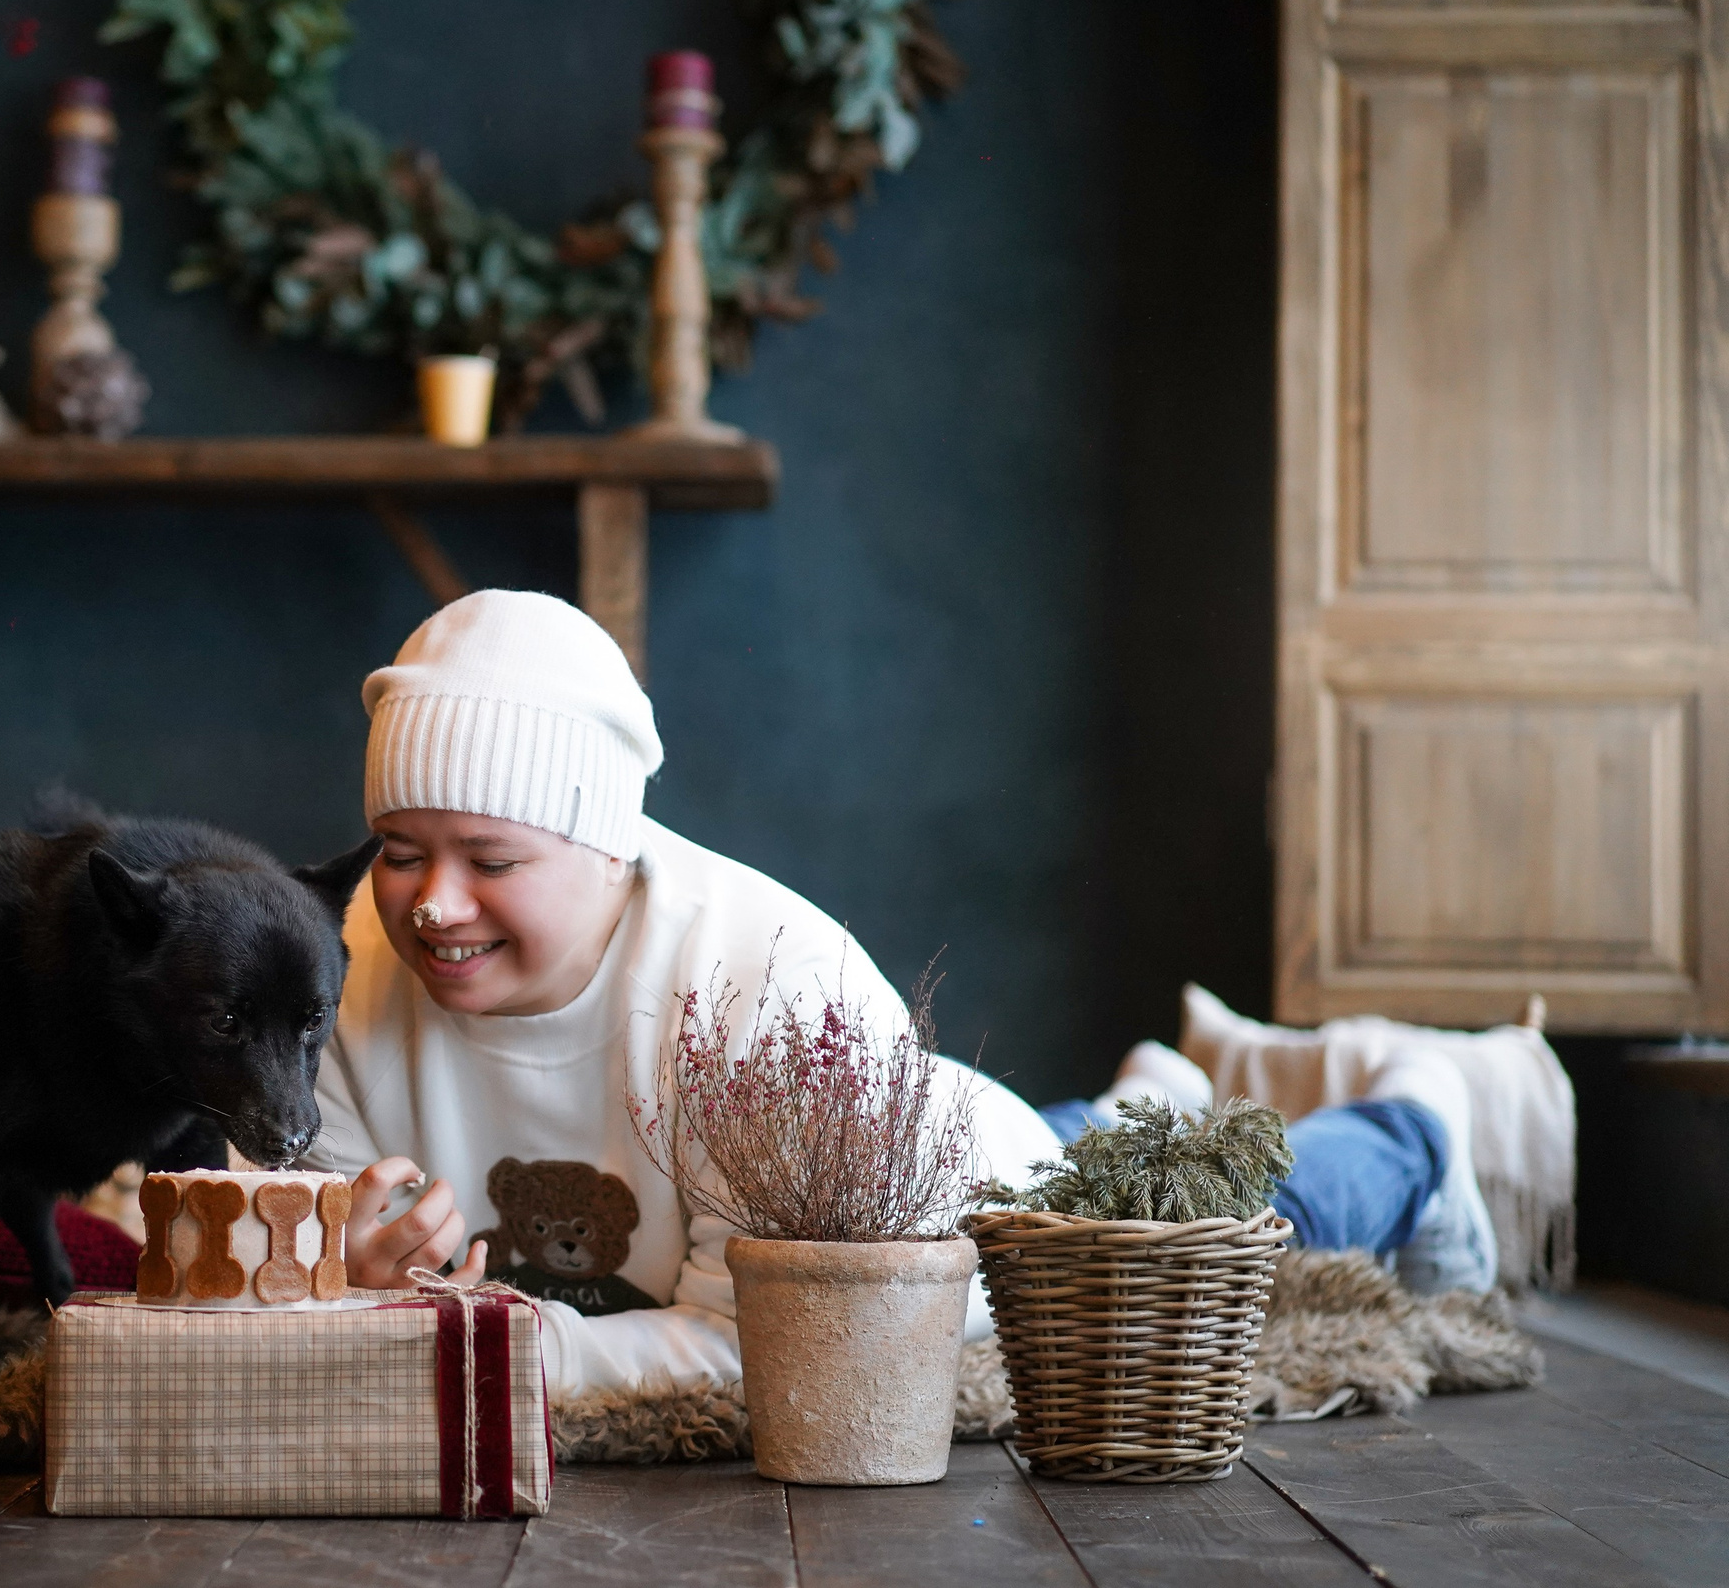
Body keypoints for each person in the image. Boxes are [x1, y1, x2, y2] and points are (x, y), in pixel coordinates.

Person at [304, 590, 1494, 1401]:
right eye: (401, 851)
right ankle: (1152, 1085)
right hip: (922, 1118)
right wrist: (335, 1268)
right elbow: (307, 1265)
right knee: (1080, 1130)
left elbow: (766, 1347)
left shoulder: (759, 990)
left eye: (491, 861)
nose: (433, 906)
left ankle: (1419, 1124)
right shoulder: (338, 969)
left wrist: (500, 1352)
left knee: (1207, 1213)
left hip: (978, 1209)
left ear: (611, 846)